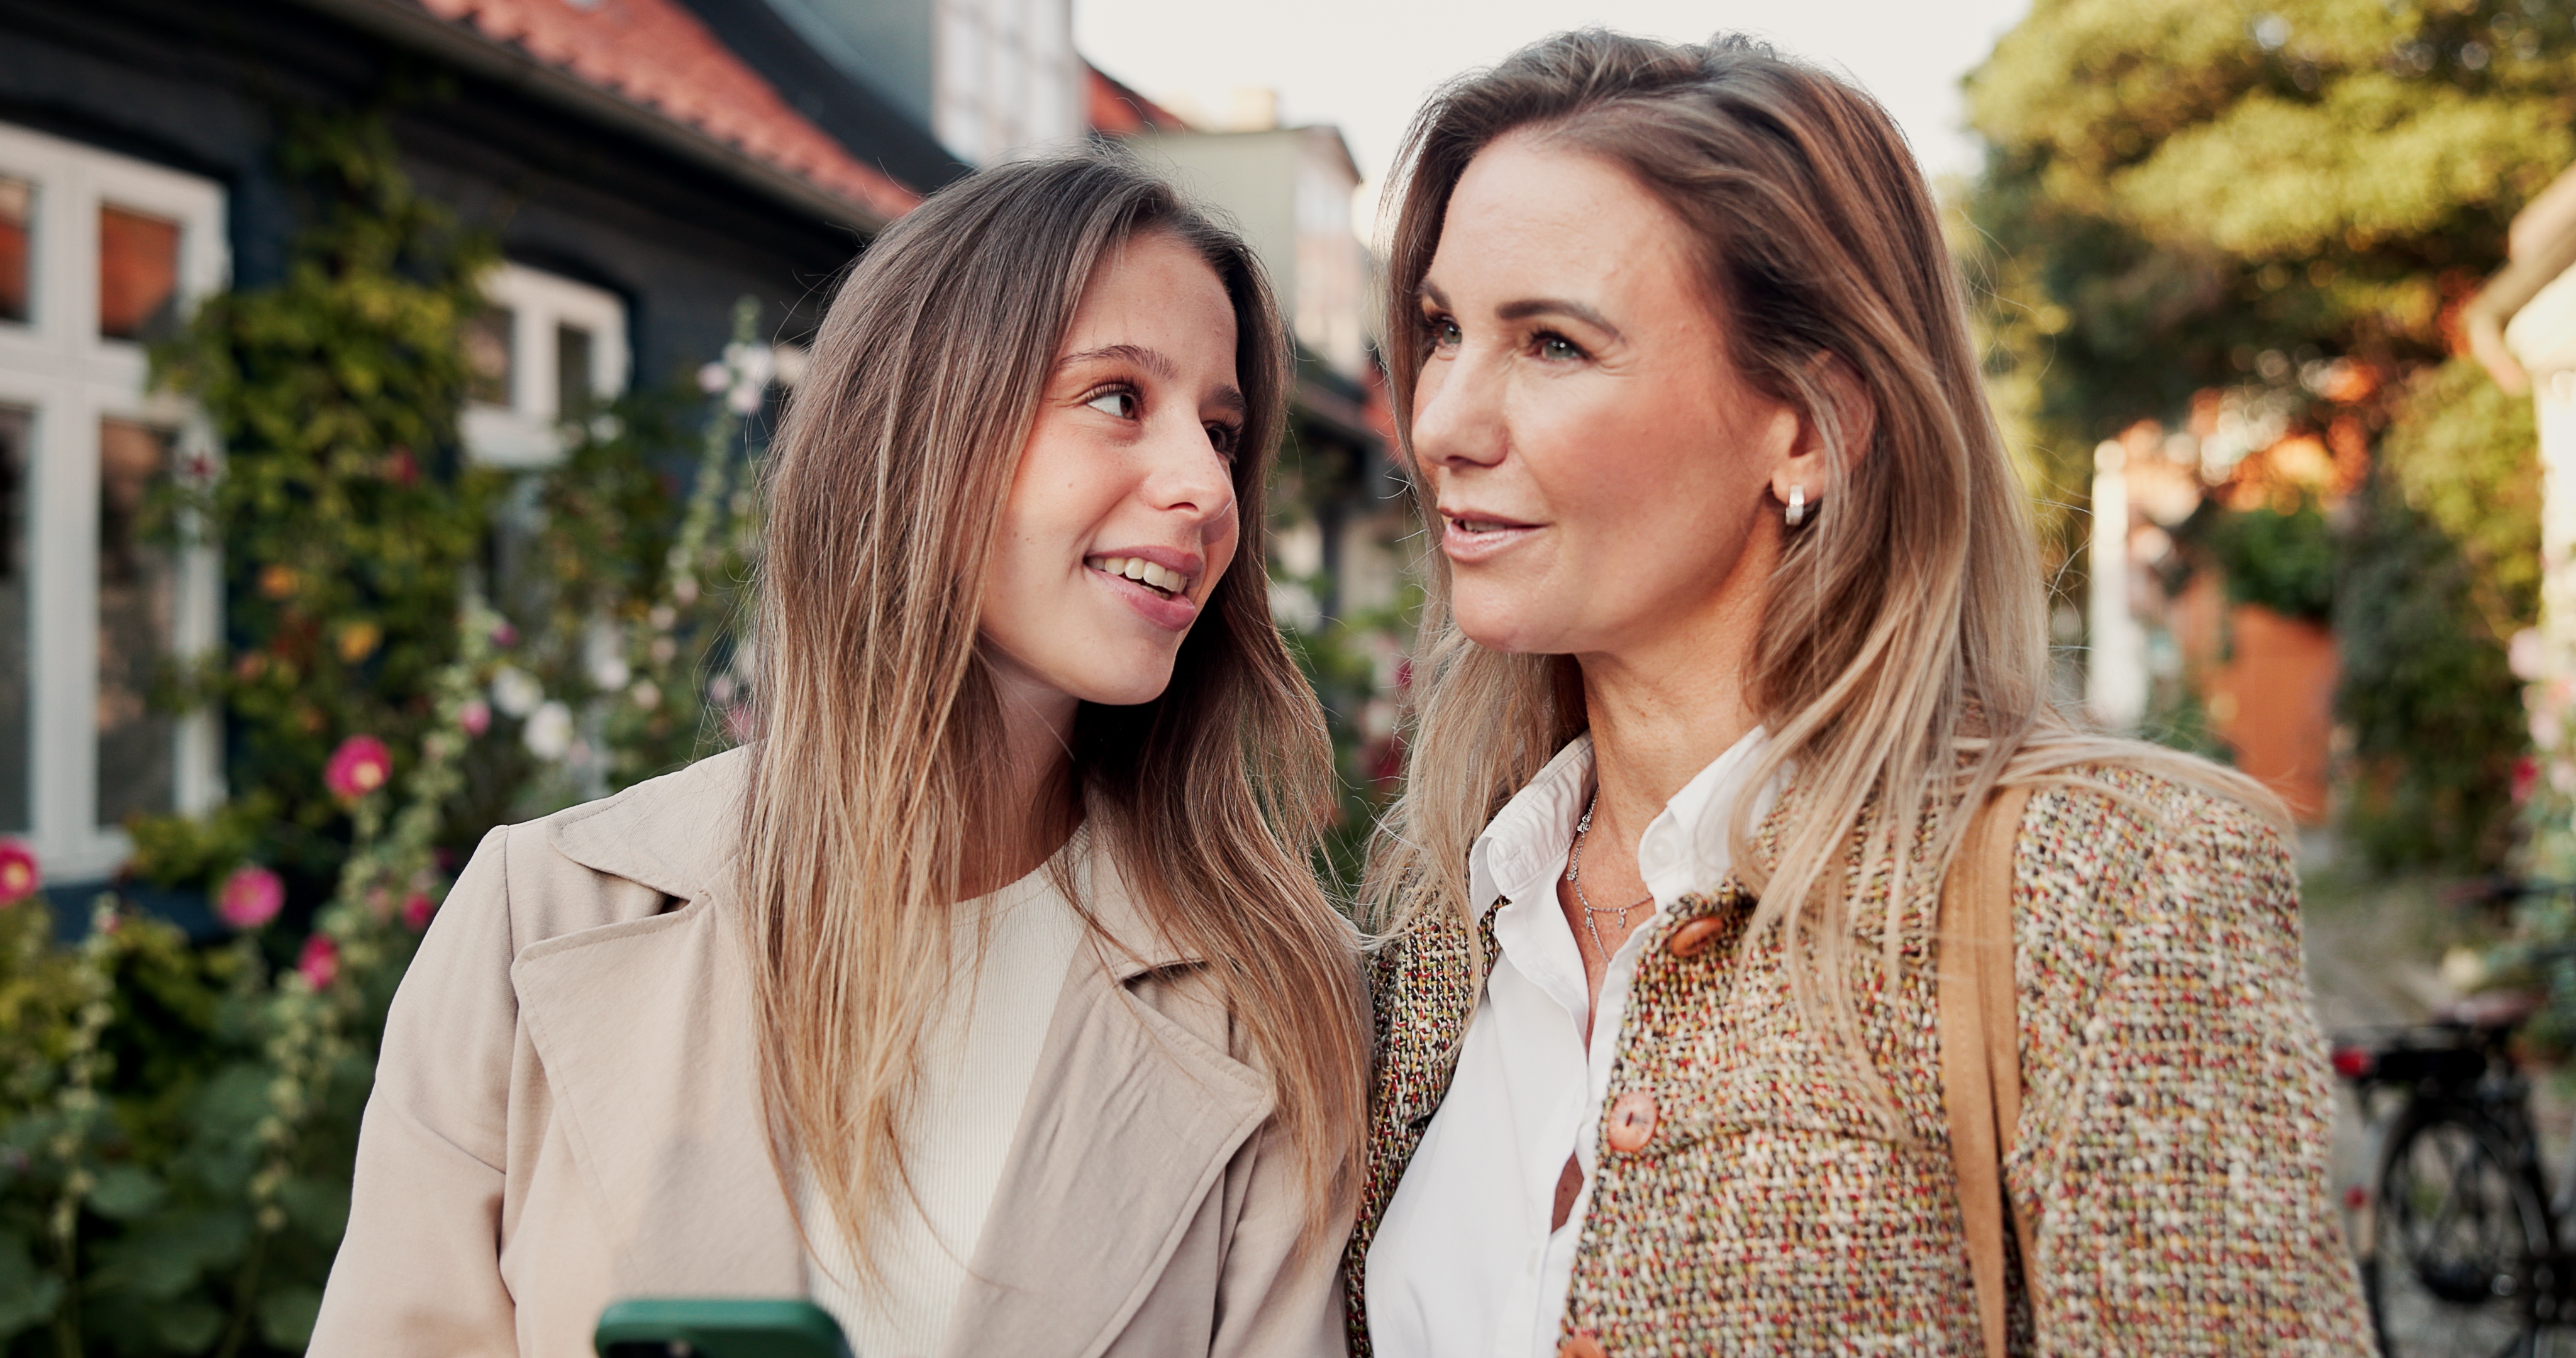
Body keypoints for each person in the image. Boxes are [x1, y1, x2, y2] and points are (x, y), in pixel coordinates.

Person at [1344, 30, 2372, 1357]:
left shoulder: (2106, 894)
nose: (1440, 423)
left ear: (1807, 424)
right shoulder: (1448, 914)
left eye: (1549, 342)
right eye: (1439, 331)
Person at [311, 152, 1366, 1358]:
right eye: (1119, 398)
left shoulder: (1274, 999)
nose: (1205, 488)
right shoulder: (538, 914)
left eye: (1223, 431)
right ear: (917, 435)